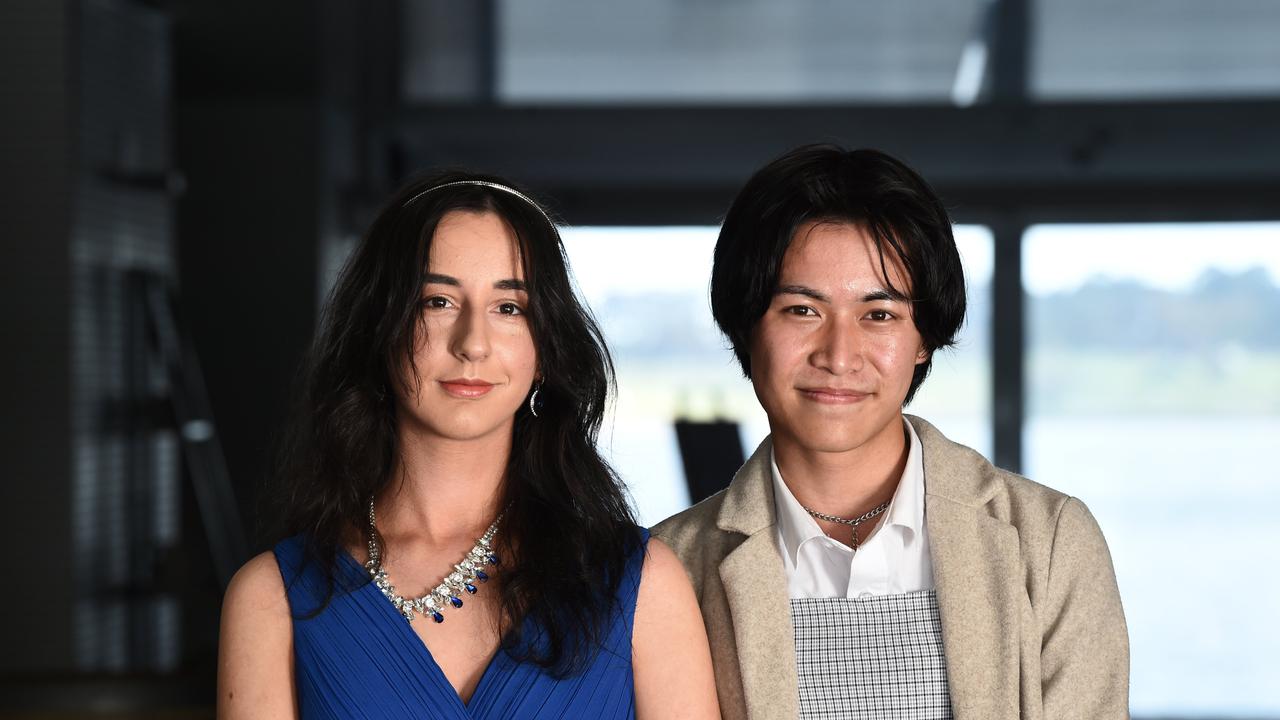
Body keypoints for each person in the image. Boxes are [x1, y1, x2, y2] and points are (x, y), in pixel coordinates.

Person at [218, 172, 719, 719]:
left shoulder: (642, 584)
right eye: (437, 301)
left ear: (545, 348)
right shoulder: (270, 599)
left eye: (509, 308)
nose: (473, 344)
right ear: (378, 328)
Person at [653, 145, 1129, 719]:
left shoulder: (1048, 542)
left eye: (879, 314)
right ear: (746, 327)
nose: (839, 355)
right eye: (802, 310)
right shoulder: (668, 567)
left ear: (924, 337)